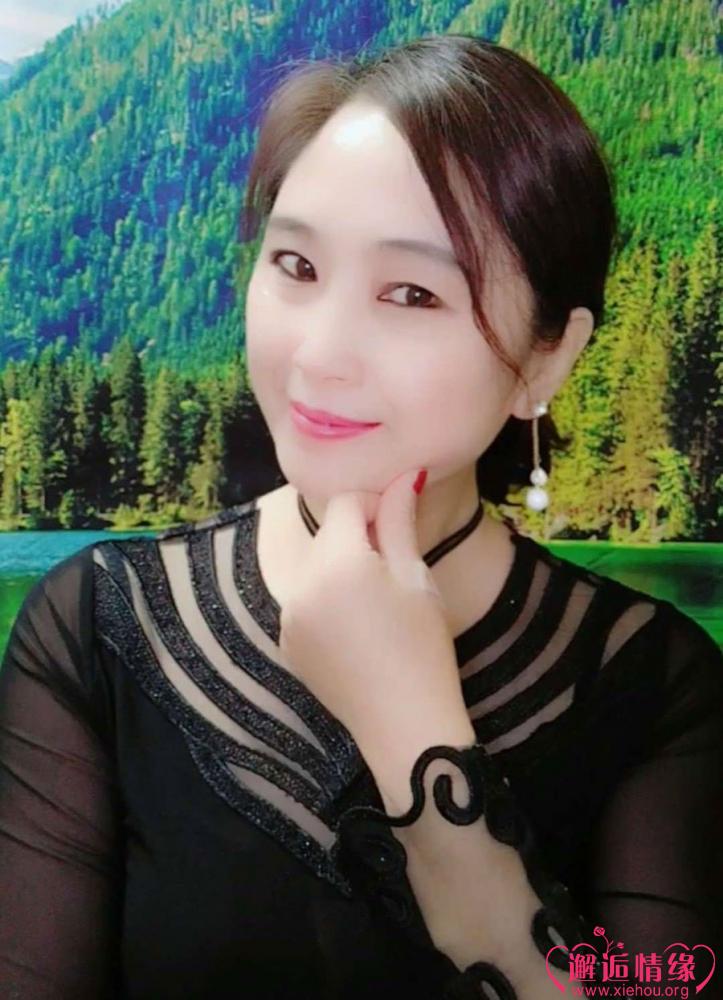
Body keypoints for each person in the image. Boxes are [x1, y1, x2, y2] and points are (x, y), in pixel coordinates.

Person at [1, 33, 722, 1000]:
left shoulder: (653, 686)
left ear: (546, 357)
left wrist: (415, 741)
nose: (320, 354)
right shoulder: (97, 629)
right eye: (295, 265)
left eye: (412, 292)